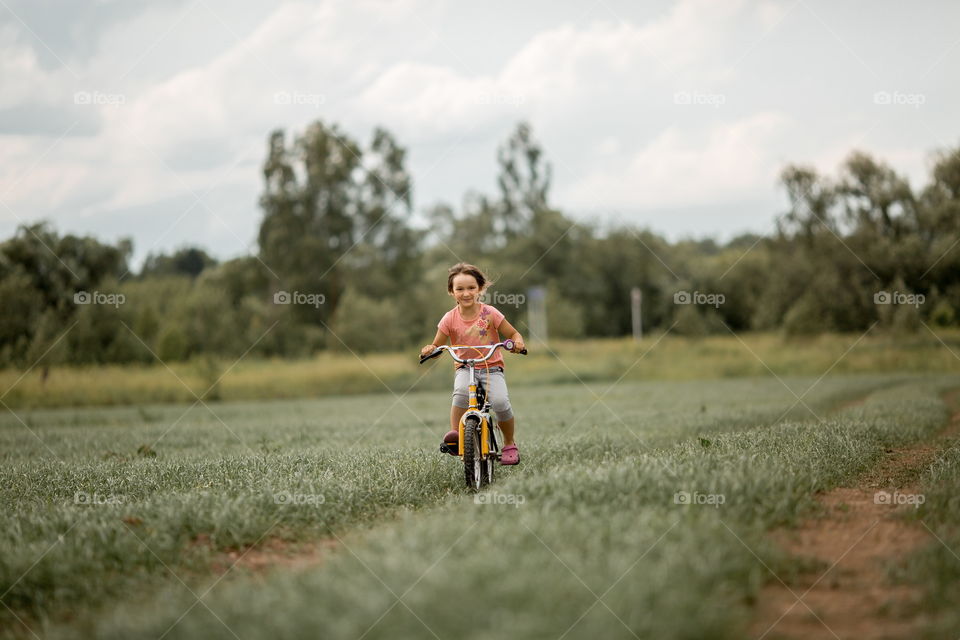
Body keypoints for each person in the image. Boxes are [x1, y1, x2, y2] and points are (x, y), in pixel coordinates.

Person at [421, 263, 525, 465]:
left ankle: (509, 443)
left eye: (471, 288)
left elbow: (513, 334)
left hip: (491, 368)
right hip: (465, 367)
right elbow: (437, 347)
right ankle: (457, 436)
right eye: (460, 289)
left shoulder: (490, 313)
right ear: (452, 292)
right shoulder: (449, 319)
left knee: (501, 402)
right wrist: (430, 349)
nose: (466, 293)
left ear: (480, 289)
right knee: (460, 393)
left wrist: (518, 343)